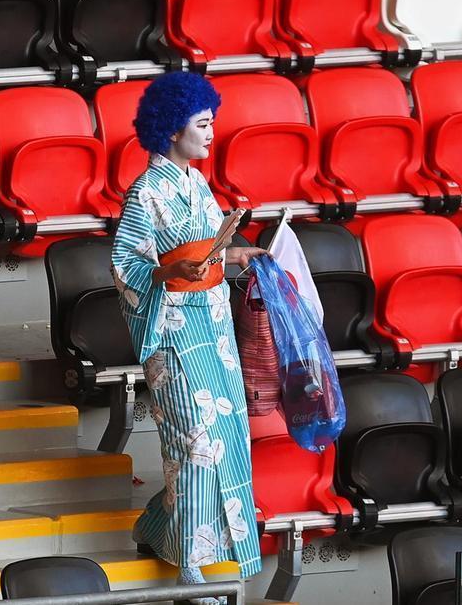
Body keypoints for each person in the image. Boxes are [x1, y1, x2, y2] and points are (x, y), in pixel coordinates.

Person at [111, 72, 267, 604]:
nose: (211, 134)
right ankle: (191, 570)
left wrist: (236, 255)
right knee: (194, 442)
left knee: (222, 439)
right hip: (173, 329)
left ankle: (156, 527)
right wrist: (169, 268)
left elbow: (206, 251)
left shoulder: (197, 184)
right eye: (203, 124)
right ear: (172, 129)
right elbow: (127, 264)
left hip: (213, 324)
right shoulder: (145, 192)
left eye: (211, 123)